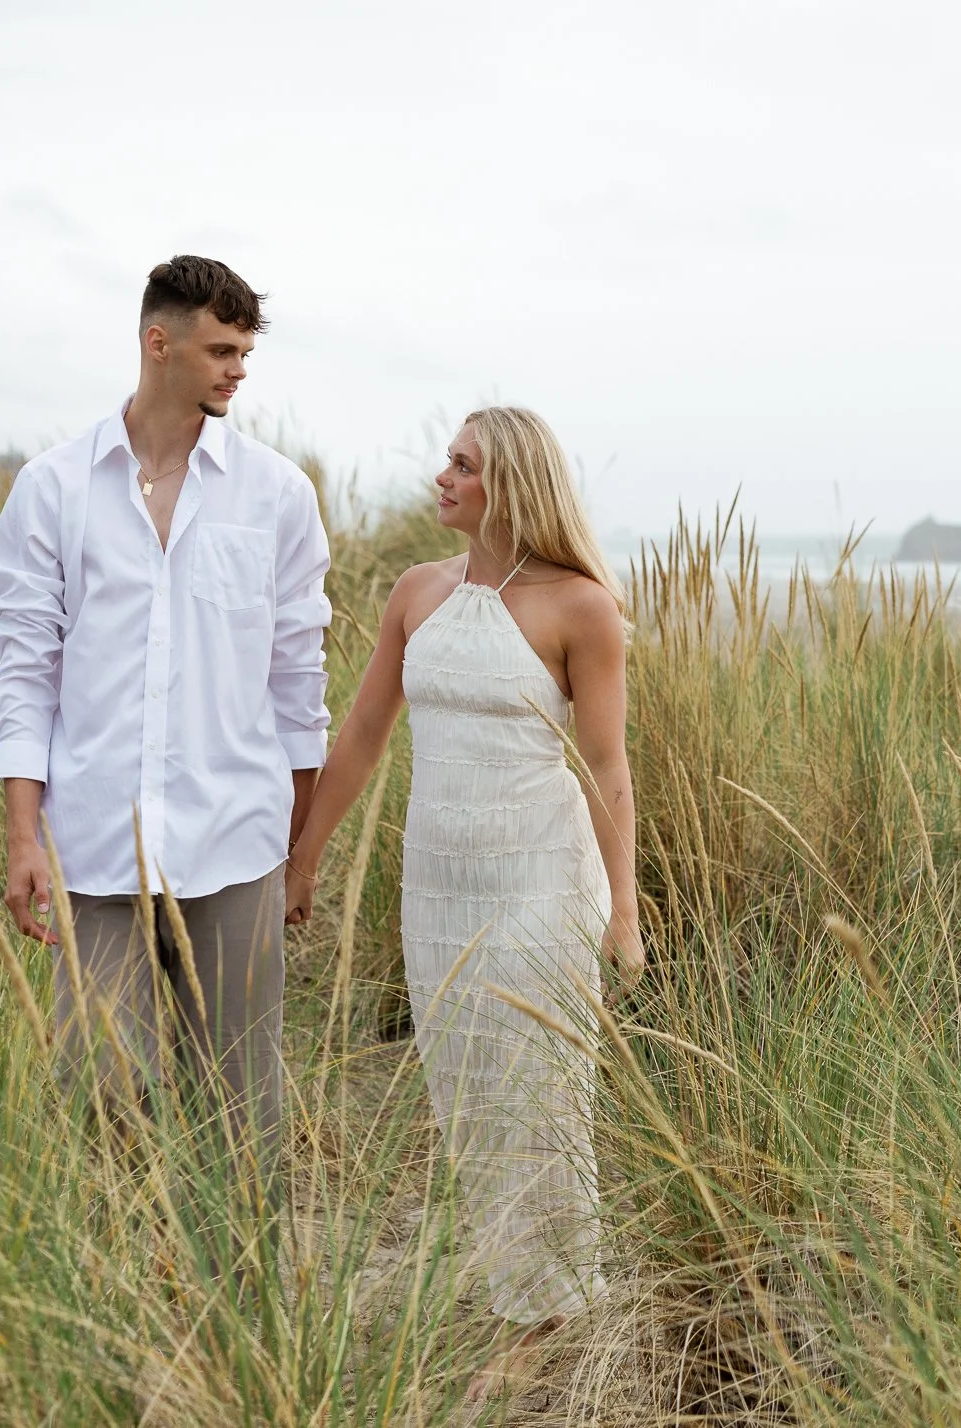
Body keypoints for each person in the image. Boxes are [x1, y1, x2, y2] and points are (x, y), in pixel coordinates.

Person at [283, 406, 642, 1399]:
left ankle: (553, 1308)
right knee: (466, 1090)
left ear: (511, 486)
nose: (440, 476)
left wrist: (625, 910)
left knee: (539, 1087)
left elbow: (608, 769)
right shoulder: (416, 593)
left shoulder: (581, 608)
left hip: (540, 881)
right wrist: (307, 854)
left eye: (463, 464)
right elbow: (362, 730)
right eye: (445, 458)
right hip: (437, 887)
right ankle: (513, 1285)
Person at [0, 255, 331, 1245]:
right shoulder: (51, 489)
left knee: (245, 1109)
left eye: (246, 353)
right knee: (102, 1094)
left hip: (237, 844)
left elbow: (299, 689)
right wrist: (23, 837)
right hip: (95, 848)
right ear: (158, 342)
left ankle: (243, 1320)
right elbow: (25, 676)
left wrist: (299, 850)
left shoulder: (277, 497)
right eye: (222, 350)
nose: (237, 372)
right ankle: (119, 1305)